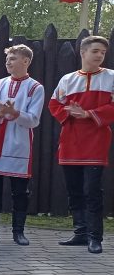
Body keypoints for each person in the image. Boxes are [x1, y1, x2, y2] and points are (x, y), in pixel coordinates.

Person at [49, 35, 114, 254]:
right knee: (74, 189)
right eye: (95, 51)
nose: (99, 55)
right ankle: (80, 233)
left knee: (92, 190)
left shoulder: (111, 77)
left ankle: (95, 237)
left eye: (103, 52)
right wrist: (69, 113)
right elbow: (54, 103)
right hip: (70, 141)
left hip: (95, 141)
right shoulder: (68, 79)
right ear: (83, 52)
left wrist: (88, 113)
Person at [0, 47, 44, 246]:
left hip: (17, 143)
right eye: (7, 59)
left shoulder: (35, 88)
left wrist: (15, 113)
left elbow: (34, 120)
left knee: (20, 191)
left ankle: (18, 232)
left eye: (13, 59)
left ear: (26, 61)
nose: (8, 62)